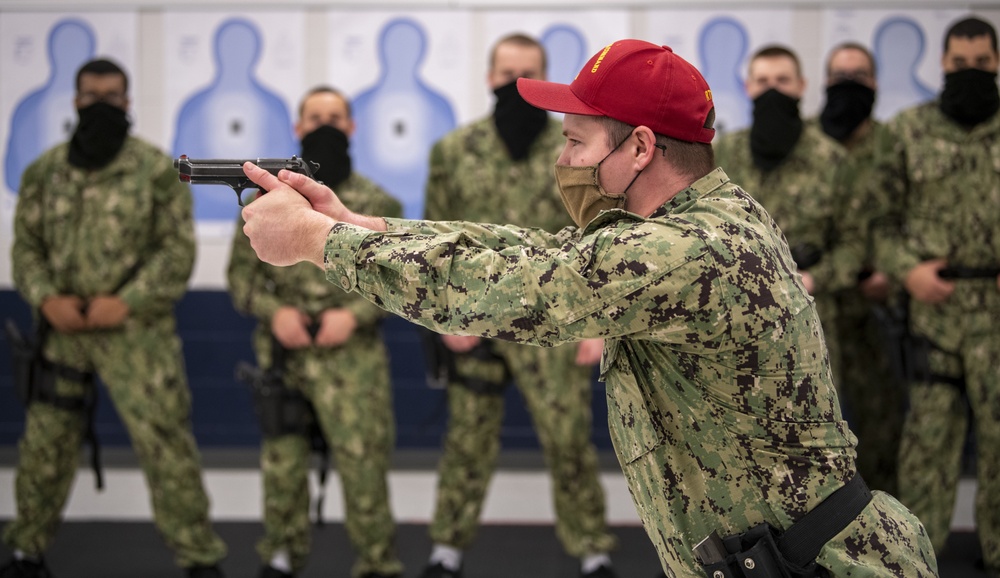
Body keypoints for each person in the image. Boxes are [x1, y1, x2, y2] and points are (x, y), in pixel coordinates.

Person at [238, 39, 938, 578]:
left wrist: (314, 241)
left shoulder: (687, 250)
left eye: (576, 142)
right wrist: (364, 225)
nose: (564, 160)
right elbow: (534, 250)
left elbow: (515, 289)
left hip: (813, 564)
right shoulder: (697, 219)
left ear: (638, 147)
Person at [1, 58, 227, 578]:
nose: (101, 103)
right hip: (62, 334)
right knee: (44, 446)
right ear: (76, 100)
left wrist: (126, 301)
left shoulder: (154, 170)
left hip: (135, 335)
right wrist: (45, 298)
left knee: (166, 445)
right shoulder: (44, 172)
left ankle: (199, 558)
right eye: (90, 95)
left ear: (128, 103)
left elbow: (175, 252)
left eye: (112, 95)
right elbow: (27, 249)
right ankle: (25, 550)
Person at [416, 33, 618, 578]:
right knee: (467, 440)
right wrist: (441, 321)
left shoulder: (578, 150)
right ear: (490, 78)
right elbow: (433, 242)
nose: (513, 84)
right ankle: (446, 550)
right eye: (506, 74)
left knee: (568, 441)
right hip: (474, 319)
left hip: (553, 319)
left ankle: (592, 550)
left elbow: (600, 236)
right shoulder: (454, 151)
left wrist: (598, 324)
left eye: (525, 74)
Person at [226, 86, 405, 578]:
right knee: (282, 466)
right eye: (315, 117)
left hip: (354, 361)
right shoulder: (264, 202)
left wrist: (355, 316)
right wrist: (273, 310)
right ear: (297, 128)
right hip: (284, 359)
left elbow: (401, 281)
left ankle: (376, 563)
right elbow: (240, 279)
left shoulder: (378, 203)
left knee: (364, 469)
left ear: (351, 127)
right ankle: (281, 558)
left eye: (334, 116)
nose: (325, 125)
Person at [876, 15, 1000, 572]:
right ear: (942, 63)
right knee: (926, 452)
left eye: (982, 64)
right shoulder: (906, 131)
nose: (970, 72)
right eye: (960, 64)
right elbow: (879, 225)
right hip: (935, 317)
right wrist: (908, 272)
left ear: (996, 64)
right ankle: (916, 565)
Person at [713, 45, 862, 387]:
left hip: (809, 320)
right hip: (734, 320)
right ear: (748, 87)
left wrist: (813, 278)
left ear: (801, 86)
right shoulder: (723, 155)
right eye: (762, 81)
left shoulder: (832, 161)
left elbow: (854, 244)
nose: (772, 90)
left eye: (782, 80)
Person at [813, 42, 905, 496]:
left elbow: (910, 218)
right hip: (818, 308)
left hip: (877, 308)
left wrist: (893, 274)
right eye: (840, 76)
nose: (849, 85)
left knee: (881, 425)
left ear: (876, 83)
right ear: (825, 83)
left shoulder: (894, 145)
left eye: (860, 76)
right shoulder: (809, 143)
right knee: (813, 428)